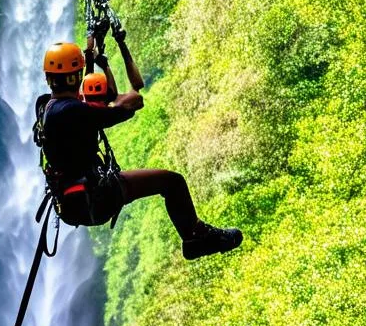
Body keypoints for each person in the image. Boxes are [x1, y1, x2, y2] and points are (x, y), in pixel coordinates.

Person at [36, 41, 243, 260]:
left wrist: (92, 59)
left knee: (167, 182)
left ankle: (195, 239)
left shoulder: (46, 106)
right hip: (95, 198)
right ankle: (195, 239)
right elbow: (125, 107)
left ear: (49, 78)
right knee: (172, 182)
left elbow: (85, 104)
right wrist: (128, 96)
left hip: (70, 202)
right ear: (75, 77)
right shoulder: (73, 111)